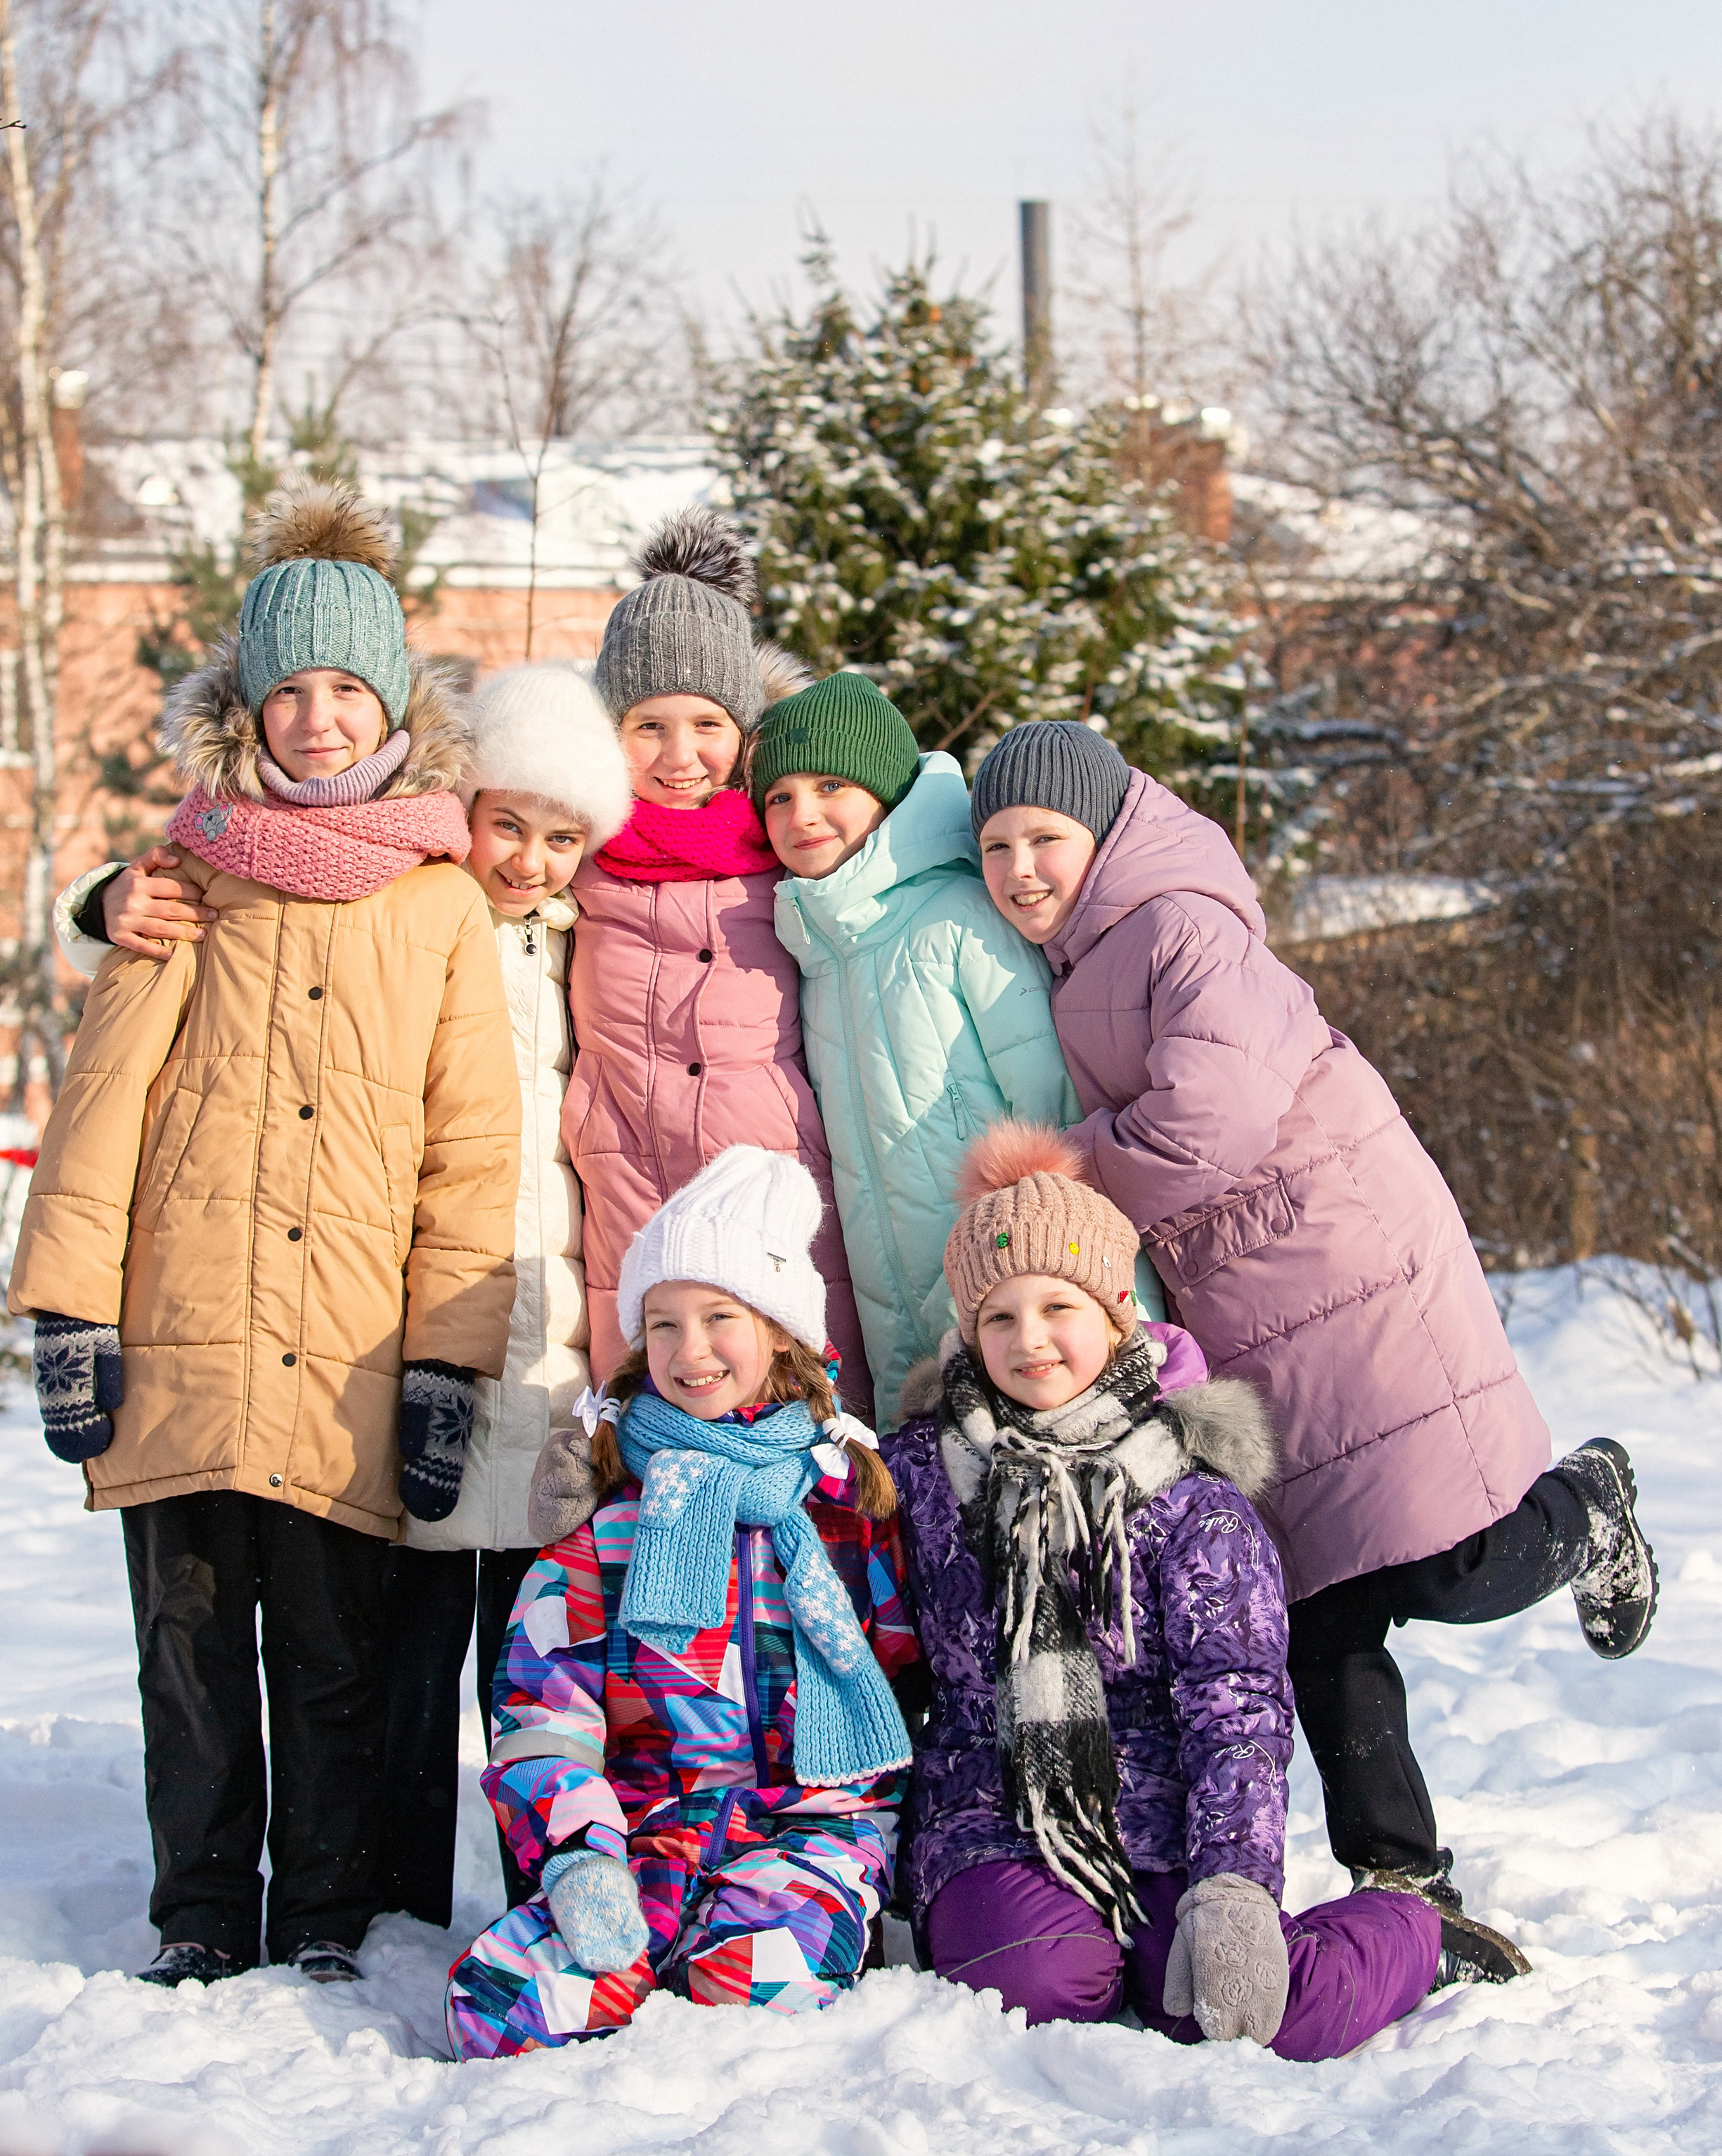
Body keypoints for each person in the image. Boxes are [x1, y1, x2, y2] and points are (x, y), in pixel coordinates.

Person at [969, 718, 1659, 1948]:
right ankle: (1405, 1883)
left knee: (1446, 1562)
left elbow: (1209, 1124)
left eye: (1046, 838)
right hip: (1249, 1304)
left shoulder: (1182, 925)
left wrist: (1059, 1182)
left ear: (1108, 830)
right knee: (1319, 1603)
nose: (1023, 867)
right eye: (999, 845)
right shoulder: (1080, 958)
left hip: (1346, 1259)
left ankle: (1586, 1505)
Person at [10, 481, 522, 1988]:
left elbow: (469, 1149)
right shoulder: (184, 878)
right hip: (178, 1323)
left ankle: (319, 1912)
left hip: (347, 1338)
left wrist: (446, 1359)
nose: (313, 718)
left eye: (343, 689)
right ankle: (199, 1908)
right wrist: (67, 1311)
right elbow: (100, 1104)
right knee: (186, 1649)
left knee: (329, 1649)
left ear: (391, 706)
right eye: (286, 690)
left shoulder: (440, 905)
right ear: (245, 703)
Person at [885, 1120, 1472, 2053]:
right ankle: (1068, 1933)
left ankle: (1410, 1932)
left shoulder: (1190, 1500)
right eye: (998, 1315)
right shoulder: (922, 1470)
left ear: (1115, 1312)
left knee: (1255, 2006)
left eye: (1057, 1307)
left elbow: (1234, 1703)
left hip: (1164, 1824)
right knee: (1038, 1975)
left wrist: (1236, 1883)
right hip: (989, 1815)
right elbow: (799, 1505)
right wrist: (605, 1460)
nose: (1029, 1339)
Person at [446, 1147, 917, 2057]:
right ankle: (644, 1946)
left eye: (717, 1316)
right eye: (662, 1324)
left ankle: (756, 1938)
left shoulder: (844, 1509)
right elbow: (545, 1706)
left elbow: (905, 1678)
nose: (689, 1349)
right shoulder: (611, 1518)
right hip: (649, 1829)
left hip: (815, 1830)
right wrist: (582, 1851)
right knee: (500, 2005)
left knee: (749, 1988)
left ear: (778, 1329)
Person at [379, 662, 633, 1928]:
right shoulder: (414, 918)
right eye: (510, 823)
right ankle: (398, 1898)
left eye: (563, 834)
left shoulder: (596, 948)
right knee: (409, 1644)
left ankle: (546, 1885)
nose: (531, 857)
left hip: (557, 1346)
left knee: (534, 1659)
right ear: (465, 809)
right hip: (428, 1325)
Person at [750, 671, 1165, 1431]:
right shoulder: (813, 947)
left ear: (883, 792)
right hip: (904, 1335)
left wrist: (1123, 1312)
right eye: (778, 796)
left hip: (1025, 1315)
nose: (801, 813)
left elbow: (1060, 1122)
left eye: (830, 784)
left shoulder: (962, 917)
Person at [565, 507, 869, 1404]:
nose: (680, 755)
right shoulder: (573, 852)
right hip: (627, 1180)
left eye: (706, 722)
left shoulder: (795, 849)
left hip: (774, 1180)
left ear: (744, 728)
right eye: (647, 725)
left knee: (798, 1429)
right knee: (648, 1433)